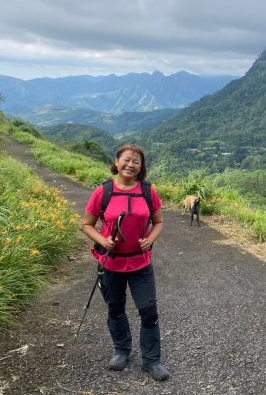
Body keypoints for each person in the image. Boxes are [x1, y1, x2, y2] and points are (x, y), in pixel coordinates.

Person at [81, 144, 169, 381]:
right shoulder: (103, 192)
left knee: (148, 311)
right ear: (117, 162)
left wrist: (149, 240)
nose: (131, 165)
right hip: (111, 264)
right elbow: (86, 224)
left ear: (141, 167)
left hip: (141, 264)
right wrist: (103, 240)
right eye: (127, 160)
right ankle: (122, 350)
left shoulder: (149, 192)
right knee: (115, 308)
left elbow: (158, 222)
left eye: (136, 162)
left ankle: (151, 360)